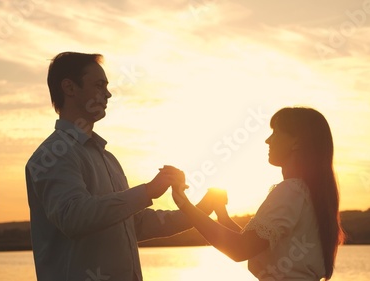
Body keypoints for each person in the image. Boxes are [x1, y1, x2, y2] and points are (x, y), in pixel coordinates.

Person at [25, 51, 222, 281]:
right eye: (99, 85)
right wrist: (148, 191)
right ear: (69, 88)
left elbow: (133, 224)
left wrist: (198, 210)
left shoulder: (109, 159)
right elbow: (74, 217)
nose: (107, 94)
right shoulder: (50, 155)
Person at [171, 107, 345, 280]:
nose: (267, 141)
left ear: (296, 142)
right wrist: (222, 215)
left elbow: (240, 249)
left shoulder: (290, 191)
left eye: (275, 133)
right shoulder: (307, 193)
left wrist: (184, 205)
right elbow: (255, 245)